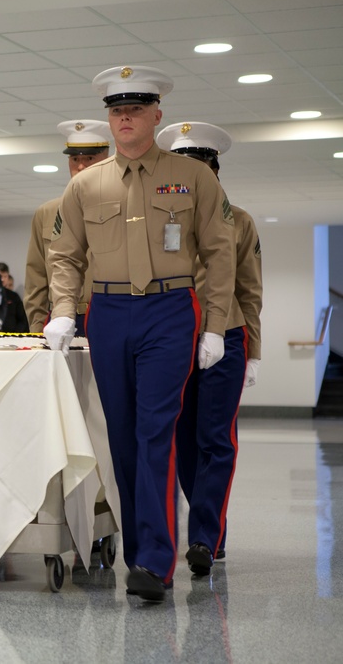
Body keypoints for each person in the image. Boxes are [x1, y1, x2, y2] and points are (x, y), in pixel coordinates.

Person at [45, 66, 236, 602]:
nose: (124, 118)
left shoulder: (193, 176)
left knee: (156, 431)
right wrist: (64, 310)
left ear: (157, 115)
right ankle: (137, 554)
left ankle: (154, 561)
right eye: (116, 110)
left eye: (134, 109)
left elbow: (221, 255)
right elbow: (64, 255)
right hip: (106, 313)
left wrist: (215, 325)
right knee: (123, 437)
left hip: (170, 310)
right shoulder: (86, 183)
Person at [159, 121, 263, 576]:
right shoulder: (164, 220)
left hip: (229, 337)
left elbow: (249, 290)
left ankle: (204, 536)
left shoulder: (239, 221)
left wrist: (253, 350)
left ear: (215, 172)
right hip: (177, 338)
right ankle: (210, 521)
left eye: (201, 168)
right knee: (183, 440)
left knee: (215, 439)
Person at [24, 119, 113, 333]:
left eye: (89, 158)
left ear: (107, 159)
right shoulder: (47, 213)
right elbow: (36, 280)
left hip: (108, 318)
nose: (81, 166)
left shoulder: (123, 207)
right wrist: (37, 330)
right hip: (60, 319)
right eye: (75, 159)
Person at [0, 262, 28, 333]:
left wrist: (16, 334)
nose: (3, 279)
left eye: (5, 276)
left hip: (12, 337)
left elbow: (22, 319)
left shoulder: (14, 296)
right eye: (0, 276)